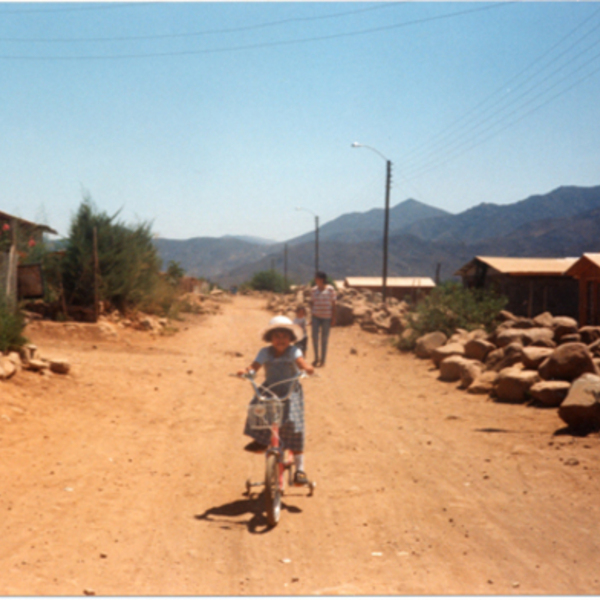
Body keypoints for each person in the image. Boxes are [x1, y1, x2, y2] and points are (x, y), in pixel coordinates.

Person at [238, 315, 314, 485]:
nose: (281, 340)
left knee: (294, 426)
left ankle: (300, 470)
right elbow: (254, 367)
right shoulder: (265, 352)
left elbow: (301, 363)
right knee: (256, 407)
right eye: (277, 336)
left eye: (285, 336)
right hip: (270, 389)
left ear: (291, 338)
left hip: (290, 391)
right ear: (270, 338)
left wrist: (307, 369)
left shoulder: (294, 351)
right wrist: (246, 372)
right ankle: (262, 440)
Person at [309, 271, 336, 367]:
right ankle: (316, 358)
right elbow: (312, 303)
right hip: (315, 316)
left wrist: (333, 317)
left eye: (317, 278)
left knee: (324, 339)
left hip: (326, 317)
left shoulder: (330, 289)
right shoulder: (313, 290)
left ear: (322, 279)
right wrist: (311, 317)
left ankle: (323, 360)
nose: (315, 280)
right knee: (314, 337)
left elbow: (333, 304)